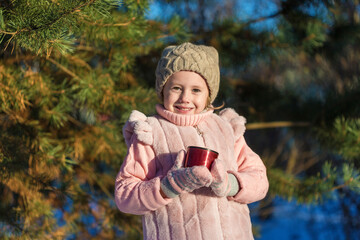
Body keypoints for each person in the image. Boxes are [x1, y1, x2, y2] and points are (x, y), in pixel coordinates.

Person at [115, 42, 269, 240]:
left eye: (196, 90)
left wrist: (229, 184)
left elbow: (260, 181)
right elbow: (124, 196)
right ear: (163, 90)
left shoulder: (226, 129)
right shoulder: (150, 133)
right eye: (177, 88)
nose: (185, 98)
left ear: (209, 94)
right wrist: (168, 186)